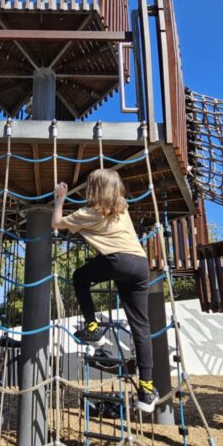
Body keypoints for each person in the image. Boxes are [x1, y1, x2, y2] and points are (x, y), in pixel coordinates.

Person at [52, 169, 157, 413]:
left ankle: (93, 329)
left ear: (93, 190)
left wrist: (60, 197)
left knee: (80, 278)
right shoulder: (123, 207)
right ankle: (146, 391)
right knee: (141, 327)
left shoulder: (88, 212)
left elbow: (56, 223)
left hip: (117, 261)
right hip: (140, 265)